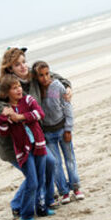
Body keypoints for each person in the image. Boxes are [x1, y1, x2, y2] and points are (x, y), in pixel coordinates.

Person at [0, 47, 72, 210]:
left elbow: (53, 77)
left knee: (49, 164)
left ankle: (46, 199)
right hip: (13, 144)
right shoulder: (3, 86)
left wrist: (67, 86)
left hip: (33, 139)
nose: (23, 66)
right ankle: (18, 204)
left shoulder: (32, 78)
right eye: (17, 64)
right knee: (33, 176)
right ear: (10, 68)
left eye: (24, 62)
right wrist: (4, 109)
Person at [0, 74, 54, 220]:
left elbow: (39, 114)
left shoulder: (28, 100)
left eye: (19, 86)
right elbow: (3, 132)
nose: (19, 90)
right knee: (32, 182)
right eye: (14, 88)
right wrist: (4, 118)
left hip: (39, 145)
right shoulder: (7, 110)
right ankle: (26, 213)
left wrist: (21, 117)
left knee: (41, 179)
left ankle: (41, 209)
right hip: (24, 151)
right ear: (6, 92)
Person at [33, 60, 84, 204]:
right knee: (55, 163)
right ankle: (64, 191)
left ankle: (76, 187)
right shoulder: (36, 91)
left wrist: (68, 129)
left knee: (70, 160)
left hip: (62, 129)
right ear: (36, 77)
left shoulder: (57, 86)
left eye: (47, 74)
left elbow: (67, 107)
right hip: (47, 134)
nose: (45, 78)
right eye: (41, 75)